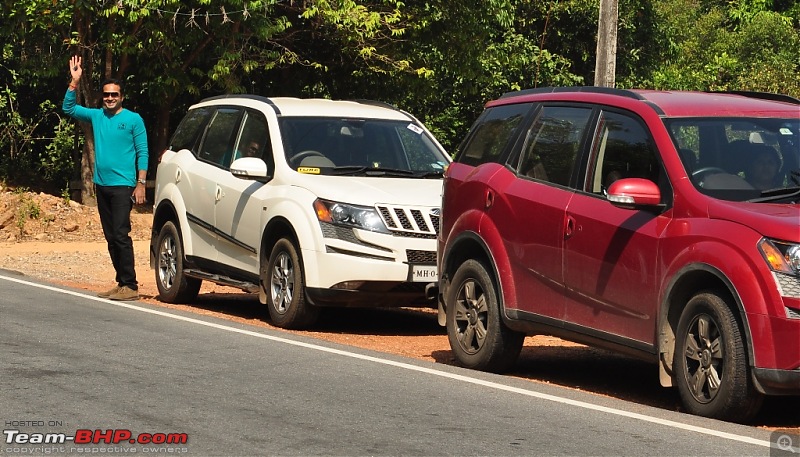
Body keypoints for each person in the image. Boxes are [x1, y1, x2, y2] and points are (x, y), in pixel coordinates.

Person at [62, 55, 149, 301]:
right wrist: (74, 81)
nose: (110, 98)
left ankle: (131, 285)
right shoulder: (97, 116)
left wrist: (141, 184)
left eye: (114, 95)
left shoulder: (133, 119)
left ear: (122, 96)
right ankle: (121, 282)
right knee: (111, 237)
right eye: (107, 95)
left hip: (123, 187)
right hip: (102, 186)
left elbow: (143, 152)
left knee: (121, 234)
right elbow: (68, 108)